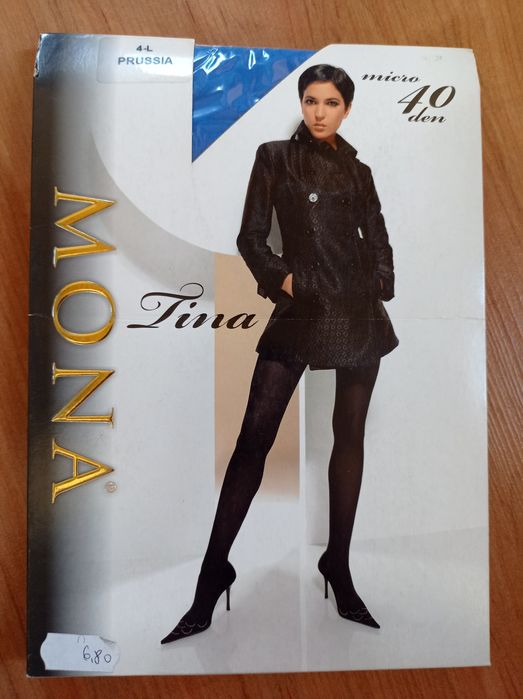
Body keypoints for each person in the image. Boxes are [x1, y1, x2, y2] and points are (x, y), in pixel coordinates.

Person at [161, 64, 398, 644]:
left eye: (332, 102)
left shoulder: (360, 170)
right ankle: (211, 574)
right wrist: (288, 283)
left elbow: (378, 235)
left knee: (349, 437)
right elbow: (250, 237)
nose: (319, 111)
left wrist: (380, 281)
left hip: (358, 313)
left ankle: (337, 565)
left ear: (347, 109)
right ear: (301, 102)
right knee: (253, 441)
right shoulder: (275, 157)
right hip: (303, 306)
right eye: (311, 100)